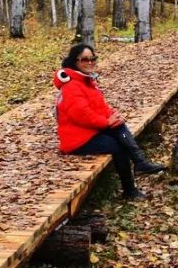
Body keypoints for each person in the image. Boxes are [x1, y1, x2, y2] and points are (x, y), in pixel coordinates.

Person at [53, 43, 166, 200]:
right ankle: (130, 189)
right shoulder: (72, 85)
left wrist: (113, 115)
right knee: (116, 146)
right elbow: (81, 114)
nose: (90, 62)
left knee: (118, 125)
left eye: (93, 58)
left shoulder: (86, 81)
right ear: (75, 62)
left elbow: (101, 107)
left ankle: (140, 163)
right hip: (76, 140)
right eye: (85, 59)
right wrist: (106, 123)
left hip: (89, 131)